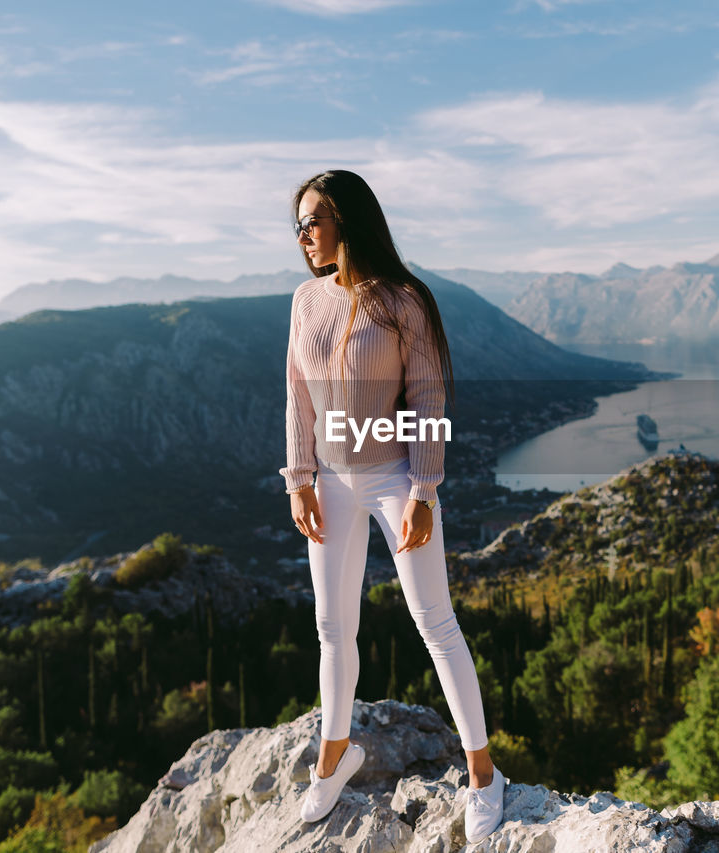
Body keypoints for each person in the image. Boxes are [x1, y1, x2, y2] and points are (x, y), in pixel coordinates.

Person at [279, 169, 508, 843]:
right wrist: (297, 479)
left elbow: (429, 397)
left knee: (435, 621)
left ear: (347, 222)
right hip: (329, 481)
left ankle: (485, 772)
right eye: (296, 224)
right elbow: (296, 393)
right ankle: (334, 752)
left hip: (394, 476)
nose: (302, 236)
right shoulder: (304, 300)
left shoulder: (405, 299)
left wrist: (423, 490)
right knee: (331, 626)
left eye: (312, 221)